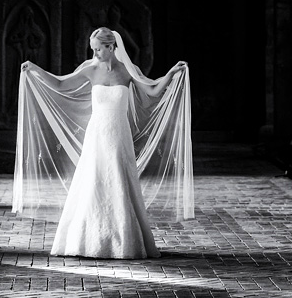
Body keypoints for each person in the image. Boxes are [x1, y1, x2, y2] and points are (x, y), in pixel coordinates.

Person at [12, 26, 192, 259]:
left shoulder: (128, 70)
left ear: (111, 47)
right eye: (93, 49)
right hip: (96, 134)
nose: (95, 53)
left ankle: (123, 241)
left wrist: (170, 74)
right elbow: (59, 84)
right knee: (93, 181)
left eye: (98, 49)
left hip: (119, 135)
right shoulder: (91, 69)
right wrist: (34, 69)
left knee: (118, 178)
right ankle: (87, 240)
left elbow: (154, 90)